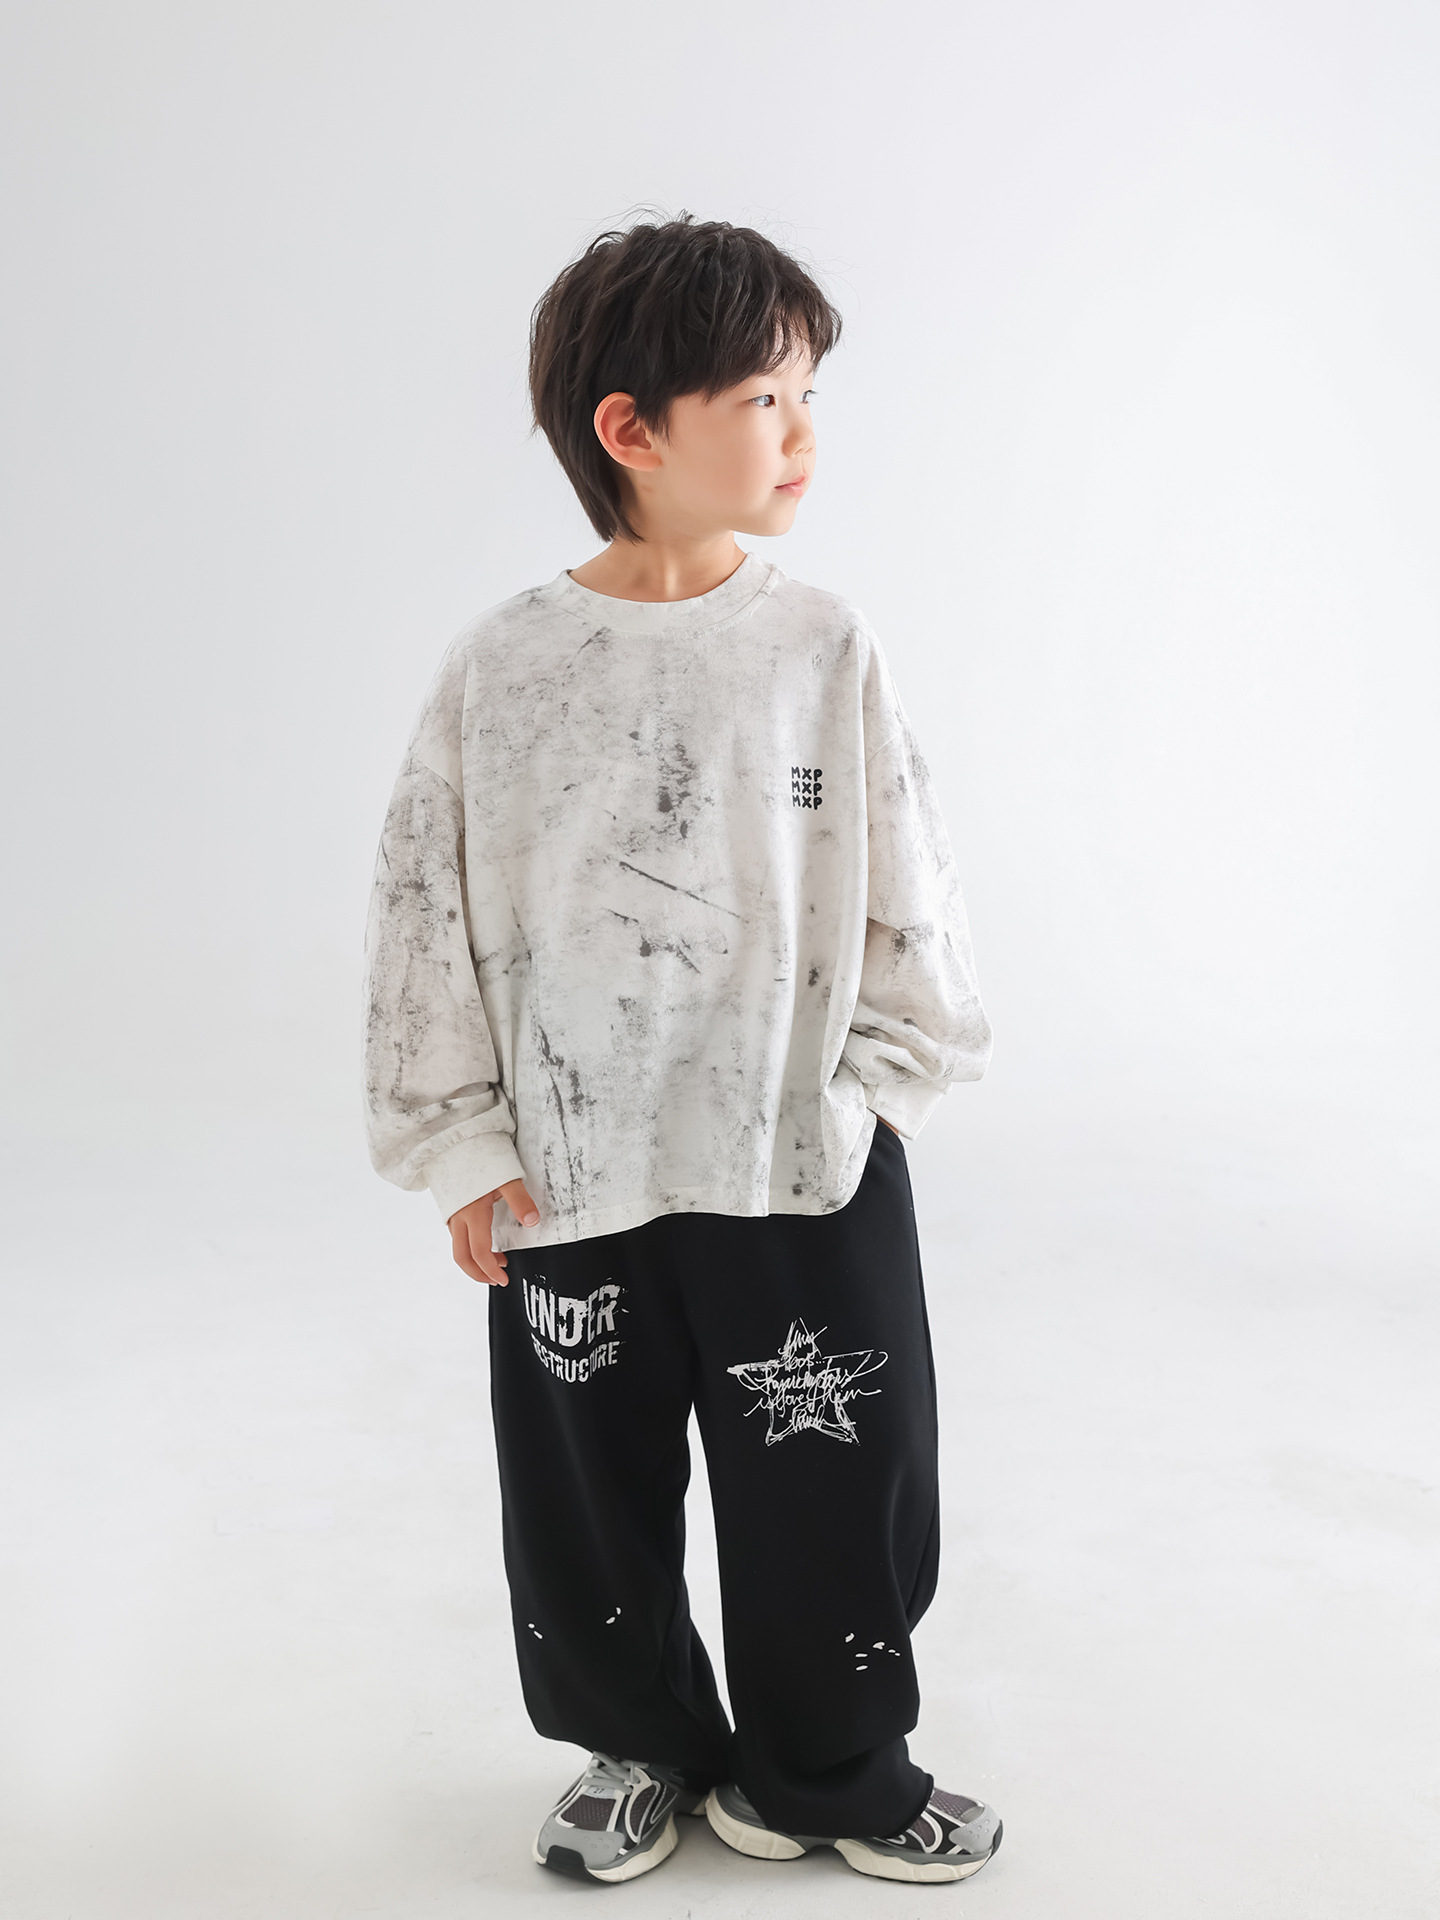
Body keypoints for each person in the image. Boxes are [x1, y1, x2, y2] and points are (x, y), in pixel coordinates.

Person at [361, 211, 1001, 1887]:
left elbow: (910, 888)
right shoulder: (506, 668)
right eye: (765, 400)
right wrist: (462, 1143)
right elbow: (424, 912)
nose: (803, 435)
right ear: (632, 430)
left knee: (840, 1477)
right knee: (585, 1488)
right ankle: (639, 1742)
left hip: (799, 1159)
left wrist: (876, 1090)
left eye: (808, 397)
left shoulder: (820, 647)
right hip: (573, 1173)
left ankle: (826, 1768)